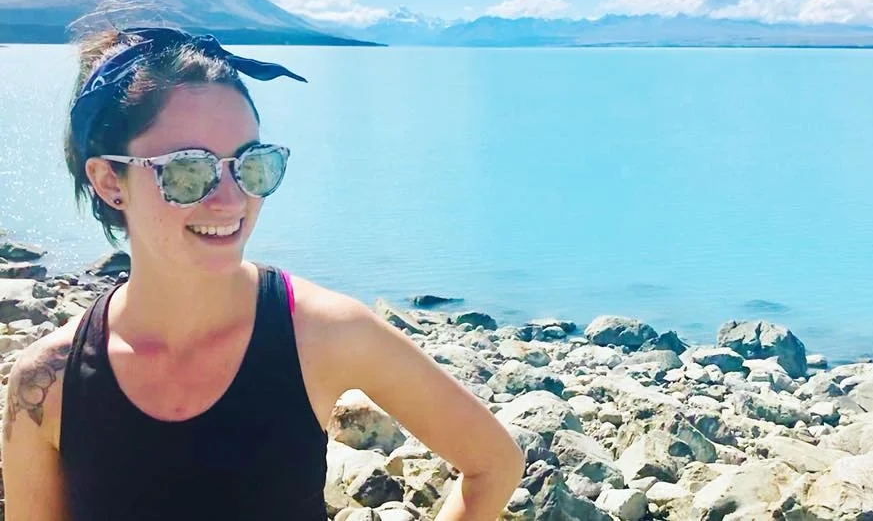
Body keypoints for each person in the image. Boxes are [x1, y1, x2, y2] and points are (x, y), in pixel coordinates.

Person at [1, 26, 524, 520]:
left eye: (253, 164)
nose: (232, 200)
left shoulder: (325, 332)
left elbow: (493, 463)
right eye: (189, 169)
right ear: (110, 181)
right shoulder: (47, 384)